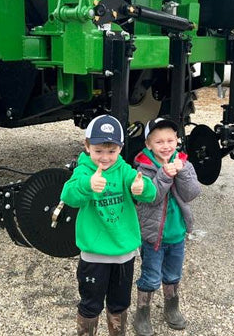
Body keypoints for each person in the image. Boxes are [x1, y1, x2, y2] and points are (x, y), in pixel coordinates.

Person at [61, 114, 157, 336]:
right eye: (98, 151)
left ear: (120, 149)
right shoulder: (83, 171)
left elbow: (149, 192)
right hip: (94, 255)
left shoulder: (124, 170)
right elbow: (68, 195)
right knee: (90, 304)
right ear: (87, 146)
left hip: (124, 253)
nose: (105, 157)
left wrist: (141, 188)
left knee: (120, 303)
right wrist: (87, 184)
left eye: (111, 151)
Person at [132, 118, 201, 336]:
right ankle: (142, 313)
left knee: (173, 274)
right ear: (149, 145)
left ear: (178, 141)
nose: (166, 146)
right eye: (159, 142)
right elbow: (150, 198)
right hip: (153, 237)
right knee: (151, 276)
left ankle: (172, 307)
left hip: (177, 234)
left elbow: (192, 193)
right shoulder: (143, 168)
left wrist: (181, 172)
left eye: (170, 140)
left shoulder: (184, 163)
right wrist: (164, 175)